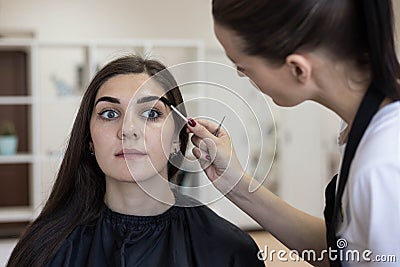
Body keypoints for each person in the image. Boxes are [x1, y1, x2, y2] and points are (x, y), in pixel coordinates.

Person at [187, 1, 400, 266]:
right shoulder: (361, 130)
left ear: (297, 68)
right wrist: (236, 183)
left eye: (242, 66)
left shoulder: (383, 164)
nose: (241, 75)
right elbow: (348, 251)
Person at [7, 55, 264, 267]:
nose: (128, 130)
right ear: (89, 140)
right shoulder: (43, 250)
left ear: (177, 137)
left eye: (151, 113)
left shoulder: (230, 251)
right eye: (109, 113)